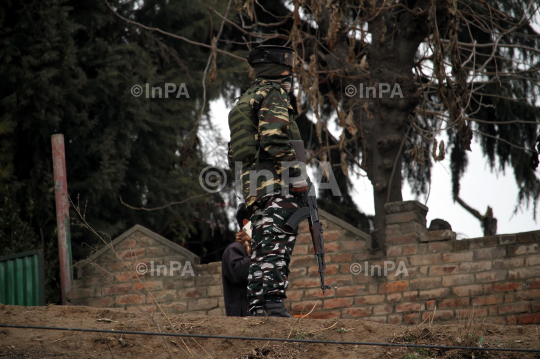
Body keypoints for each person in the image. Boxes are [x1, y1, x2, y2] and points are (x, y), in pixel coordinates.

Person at [227, 45, 308, 317]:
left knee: (263, 247)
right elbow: (274, 138)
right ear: (279, 71)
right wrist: (296, 177)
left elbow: (235, 154)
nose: (290, 77)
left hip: (255, 191)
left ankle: (260, 307)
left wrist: (248, 193)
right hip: (276, 186)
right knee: (277, 244)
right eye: (288, 71)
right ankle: (272, 304)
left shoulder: (244, 101)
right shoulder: (273, 93)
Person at [221, 204, 252, 317]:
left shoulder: (254, 248)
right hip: (242, 319)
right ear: (246, 223)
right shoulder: (234, 249)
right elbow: (240, 272)